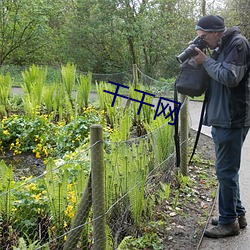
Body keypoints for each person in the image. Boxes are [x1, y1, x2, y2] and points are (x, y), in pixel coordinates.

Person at [192, 15, 250, 238]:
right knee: (227, 171)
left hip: (232, 118)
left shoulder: (238, 44)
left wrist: (205, 61)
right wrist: (201, 60)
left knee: (225, 171)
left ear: (216, 32)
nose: (203, 41)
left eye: (204, 37)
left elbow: (229, 77)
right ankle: (237, 214)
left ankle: (228, 223)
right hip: (222, 117)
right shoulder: (221, 46)